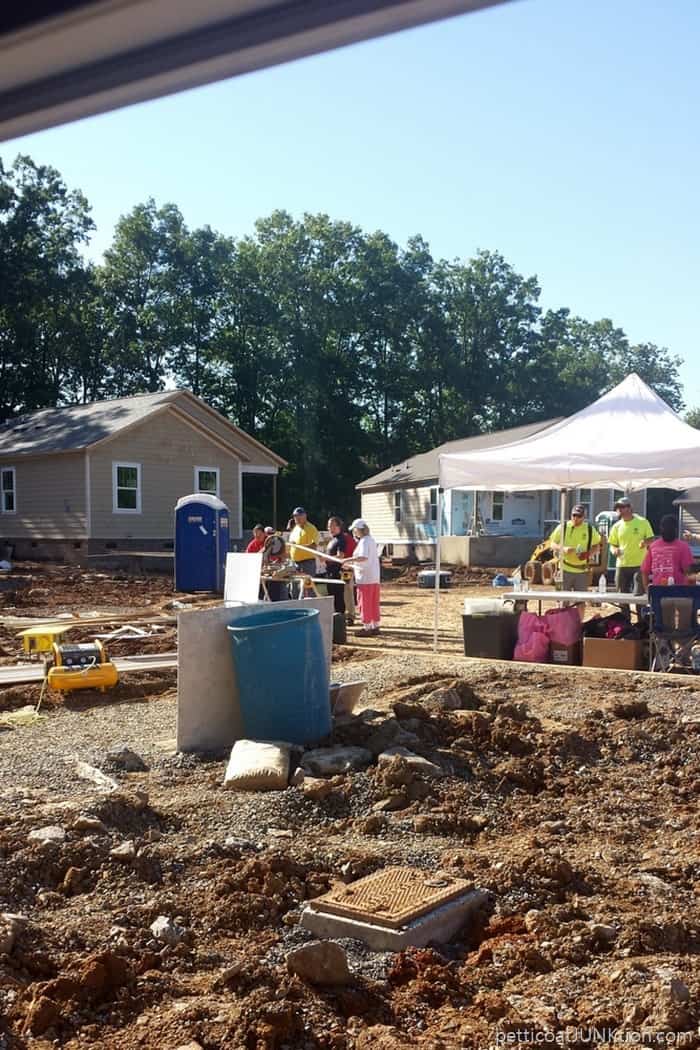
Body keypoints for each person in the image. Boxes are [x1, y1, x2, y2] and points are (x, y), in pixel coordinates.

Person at [548, 504, 601, 593]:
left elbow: (597, 545)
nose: (575, 518)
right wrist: (563, 549)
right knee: (563, 600)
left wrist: (588, 554)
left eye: (579, 516)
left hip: (582, 571)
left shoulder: (589, 529)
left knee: (581, 601)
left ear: (584, 517)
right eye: (574, 515)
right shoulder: (563, 527)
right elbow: (552, 543)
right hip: (564, 569)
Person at [607, 497, 654, 598]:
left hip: (639, 565)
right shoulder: (616, 526)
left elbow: (651, 539)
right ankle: (625, 614)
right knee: (621, 596)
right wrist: (614, 550)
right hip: (622, 565)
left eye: (621, 508)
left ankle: (640, 614)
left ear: (629, 508)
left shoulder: (642, 522)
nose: (618, 510)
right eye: (617, 508)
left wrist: (644, 542)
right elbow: (612, 544)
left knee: (638, 595)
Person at [342, 518, 381, 636]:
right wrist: (351, 564)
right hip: (374, 577)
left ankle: (367, 627)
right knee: (373, 602)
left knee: (364, 603)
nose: (354, 532)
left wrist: (348, 560)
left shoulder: (364, 541)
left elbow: (363, 558)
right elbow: (365, 560)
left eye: (355, 530)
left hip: (365, 578)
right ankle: (375, 625)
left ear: (359, 530)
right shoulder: (371, 540)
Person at [641, 515, 694, 588]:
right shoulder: (653, 546)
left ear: (675, 530)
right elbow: (645, 571)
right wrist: (647, 590)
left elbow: (689, 572)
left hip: (678, 590)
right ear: (661, 528)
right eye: (665, 528)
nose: (667, 530)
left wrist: (689, 592)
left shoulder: (683, 547)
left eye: (670, 528)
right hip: (657, 591)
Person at [324, 516, 355, 616]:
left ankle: (344, 617)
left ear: (339, 526)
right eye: (329, 526)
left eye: (332, 526)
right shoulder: (332, 540)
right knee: (333, 594)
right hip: (331, 572)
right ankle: (338, 616)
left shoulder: (342, 539)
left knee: (342, 595)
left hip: (341, 571)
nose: (330, 528)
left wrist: (325, 558)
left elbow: (340, 556)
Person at [288, 507, 319, 576]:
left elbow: (313, 546)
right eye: (295, 516)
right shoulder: (295, 529)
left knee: (306, 585)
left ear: (305, 516)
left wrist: (297, 546)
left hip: (307, 564)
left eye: (299, 515)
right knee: (295, 586)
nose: (297, 518)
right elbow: (290, 546)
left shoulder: (311, 528)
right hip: (294, 563)